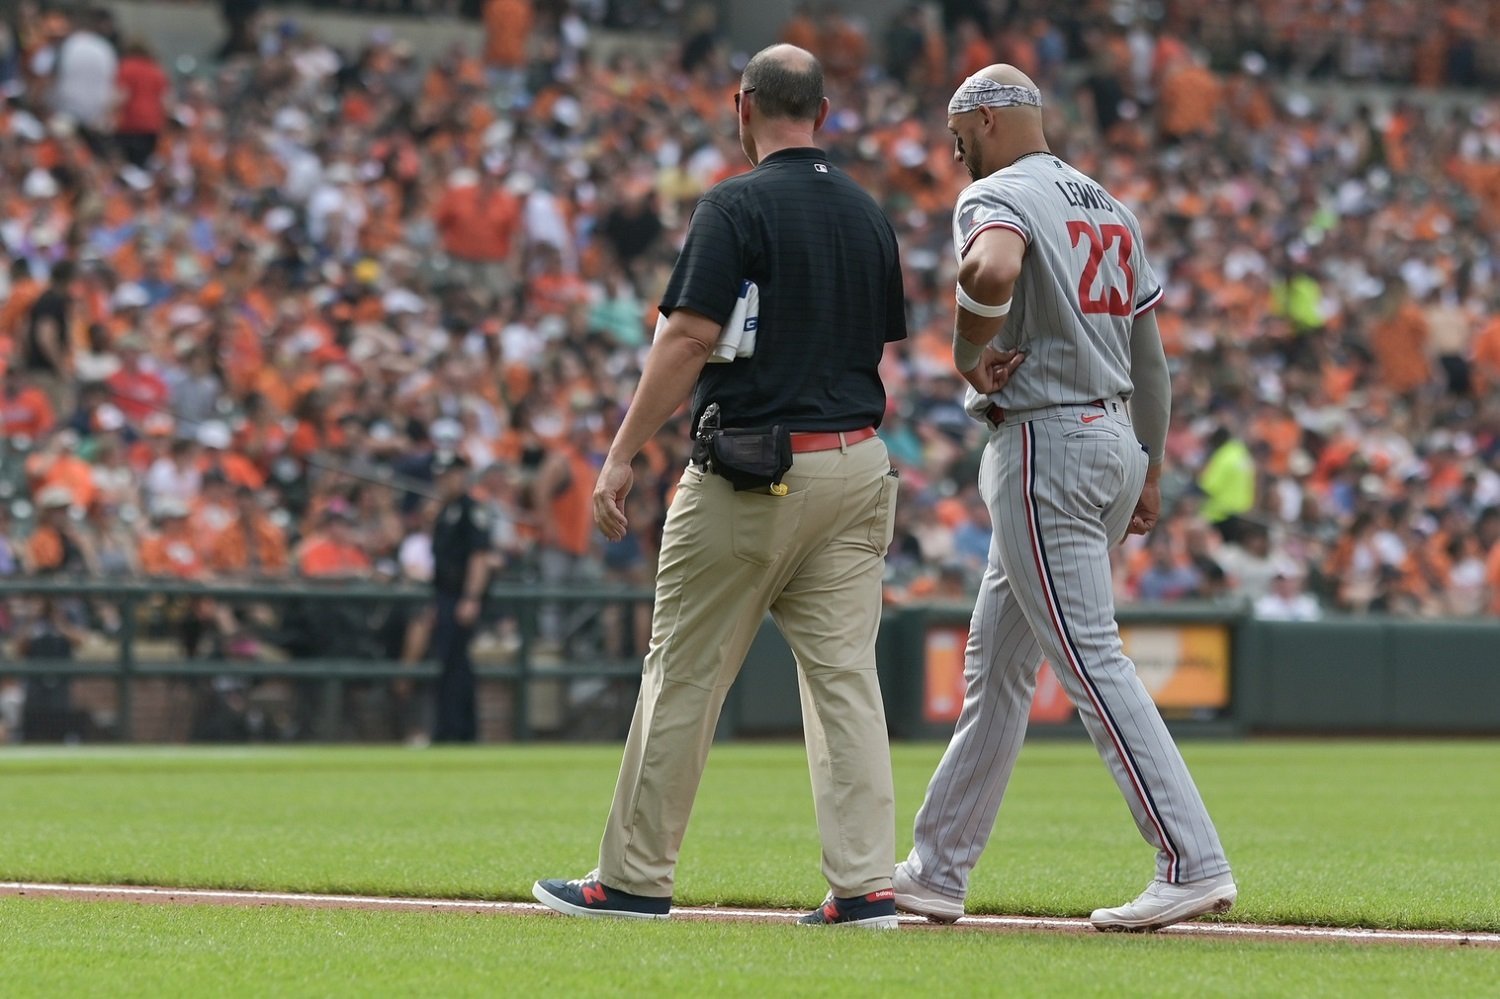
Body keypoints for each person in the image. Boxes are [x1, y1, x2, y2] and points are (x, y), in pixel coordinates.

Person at [534, 44, 907, 928]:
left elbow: (688, 336)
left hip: (754, 470)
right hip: (857, 464)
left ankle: (631, 879)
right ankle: (865, 885)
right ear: (821, 112)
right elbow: (876, 339)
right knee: (846, 680)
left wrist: (623, 451)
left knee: (685, 674)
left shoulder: (734, 203)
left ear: (743, 107)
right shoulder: (867, 212)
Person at [891, 65, 1235, 933]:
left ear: (992, 117)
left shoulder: (1001, 192)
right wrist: (1149, 468)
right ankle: (936, 869)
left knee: (1088, 657)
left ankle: (1189, 858)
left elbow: (993, 265)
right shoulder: (1109, 206)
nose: (953, 146)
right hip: (1113, 435)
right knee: (997, 669)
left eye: (957, 128)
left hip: (1048, 438)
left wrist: (969, 350)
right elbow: (1151, 359)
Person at [428, 453, 492, 744]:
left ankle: (457, 731)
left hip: (458, 595)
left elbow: (479, 557)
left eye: (449, 474)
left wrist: (471, 597)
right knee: (451, 663)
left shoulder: (469, 509)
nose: (443, 481)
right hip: (444, 595)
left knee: (457, 665)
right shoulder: (446, 510)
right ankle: (454, 729)